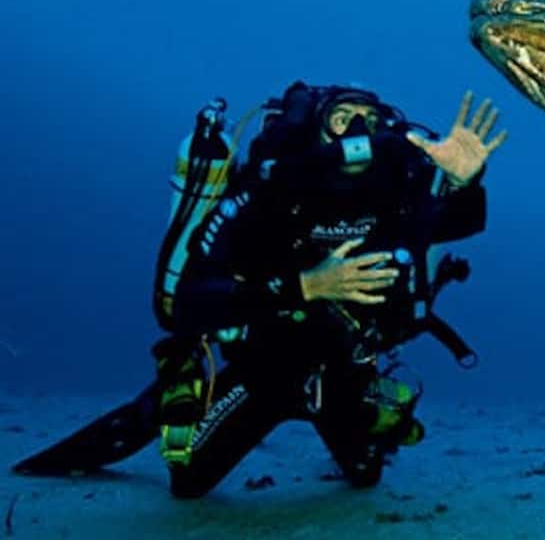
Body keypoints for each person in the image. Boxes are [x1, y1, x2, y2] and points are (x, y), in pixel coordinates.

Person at [12, 81, 507, 499]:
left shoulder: (397, 192)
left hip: (346, 366)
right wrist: (305, 287)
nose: (358, 130)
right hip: (270, 365)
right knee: (189, 481)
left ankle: (341, 409)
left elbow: (458, 221)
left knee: (365, 478)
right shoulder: (270, 192)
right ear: (316, 125)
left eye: (370, 120)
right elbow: (188, 301)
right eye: (342, 118)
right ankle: (183, 398)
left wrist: (468, 179)